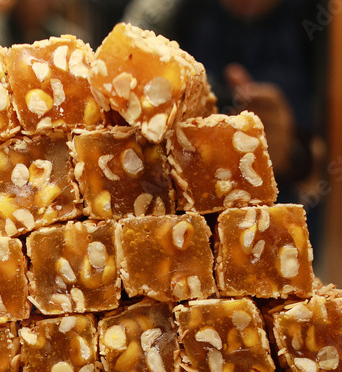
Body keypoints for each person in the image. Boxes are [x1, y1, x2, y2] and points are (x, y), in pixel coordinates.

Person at [124, 0, 327, 251]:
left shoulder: (327, 19)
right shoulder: (163, 13)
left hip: (287, 239)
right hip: (174, 244)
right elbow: (119, 130)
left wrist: (294, 153)